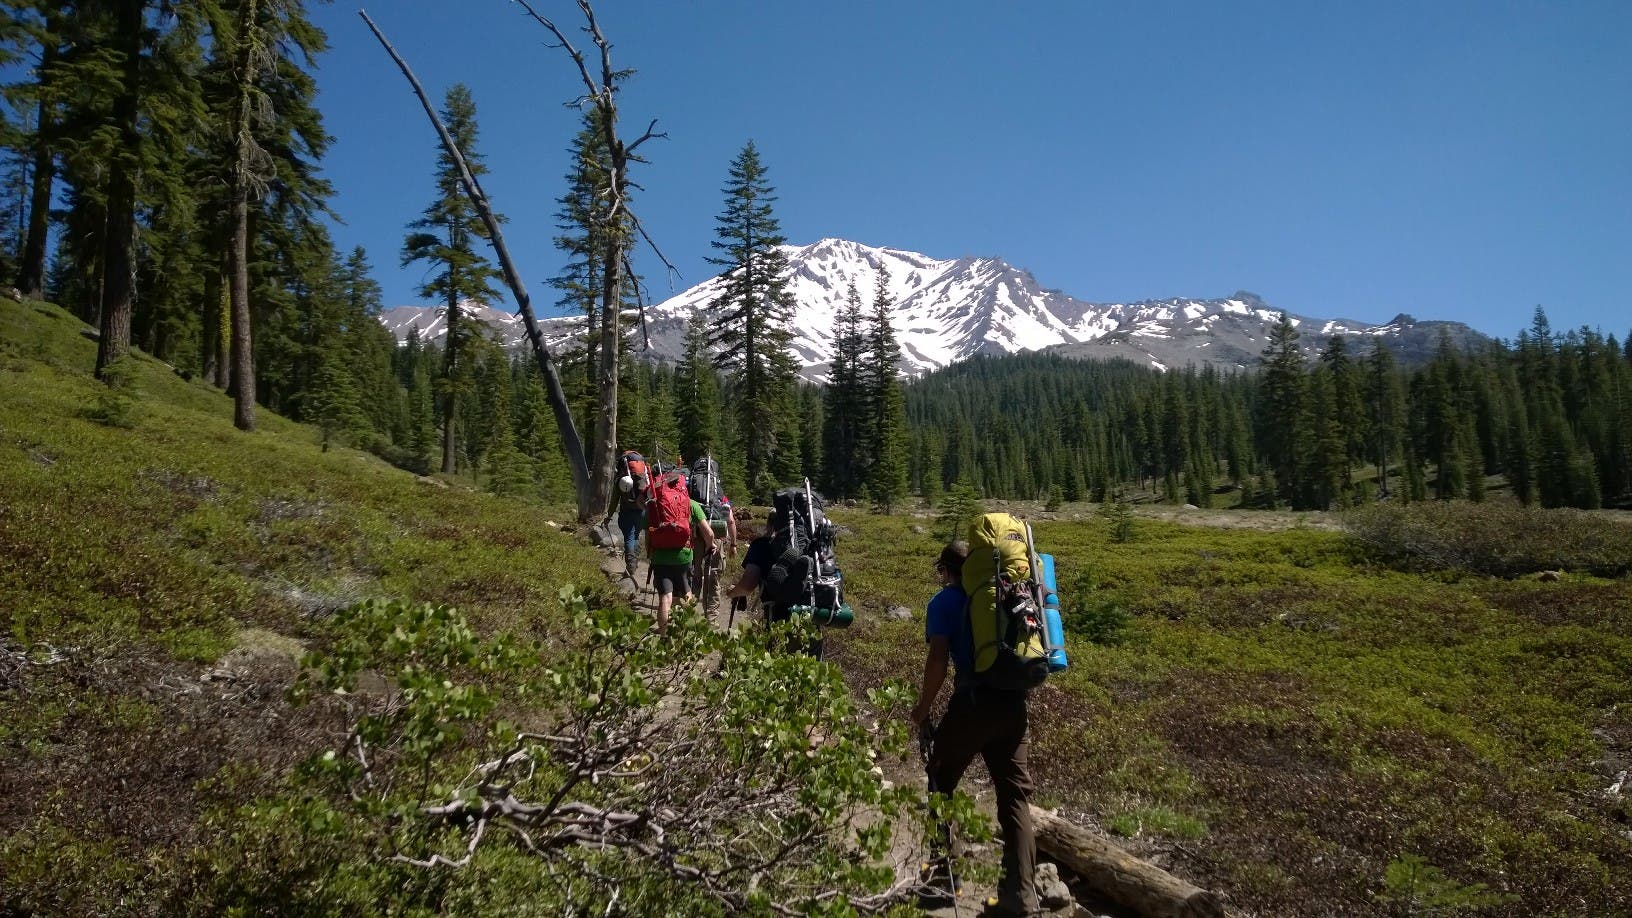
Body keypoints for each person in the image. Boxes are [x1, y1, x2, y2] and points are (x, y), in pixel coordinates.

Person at [909, 540, 1038, 916]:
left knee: (939, 777)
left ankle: (942, 878)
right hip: (1014, 705)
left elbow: (938, 659)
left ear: (946, 570)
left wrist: (923, 708)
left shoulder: (943, 602)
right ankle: (1021, 896)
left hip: (973, 703)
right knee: (1014, 798)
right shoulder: (1003, 595)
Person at [725, 510, 821, 658]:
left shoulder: (761, 545)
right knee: (812, 671)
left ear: (770, 523)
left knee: (777, 668)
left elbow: (747, 585)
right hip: (812, 618)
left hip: (777, 621)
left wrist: (732, 592)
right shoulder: (813, 547)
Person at [644, 480, 715, 633]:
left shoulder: (654, 505)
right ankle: (686, 632)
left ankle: (664, 636)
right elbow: (709, 533)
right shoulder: (690, 503)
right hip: (684, 557)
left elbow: (648, 534)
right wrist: (710, 546)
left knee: (665, 597)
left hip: (660, 558)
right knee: (686, 594)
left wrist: (650, 554)